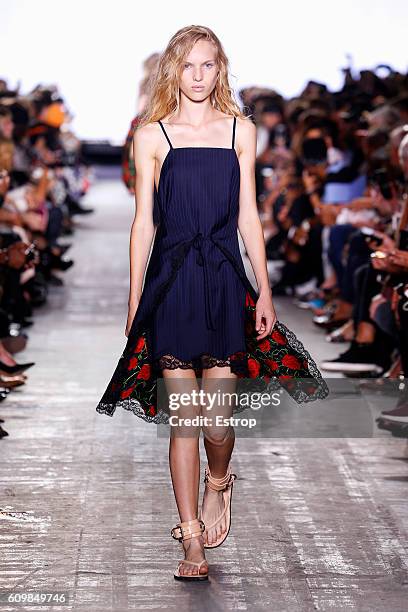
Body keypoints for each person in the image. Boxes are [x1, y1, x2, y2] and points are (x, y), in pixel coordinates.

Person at [96, 25, 329, 581]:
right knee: (185, 418)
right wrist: (134, 303)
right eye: (189, 65)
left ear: (220, 70)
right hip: (171, 282)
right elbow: (143, 224)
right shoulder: (153, 135)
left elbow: (249, 213)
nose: (198, 76)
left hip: (224, 279)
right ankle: (191, 539)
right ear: (172, 70)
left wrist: (266, 288)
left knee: (218, 422)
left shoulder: (239, 131)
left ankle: (219, 482)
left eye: (209, 65)